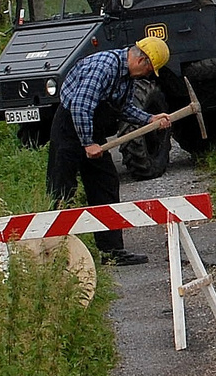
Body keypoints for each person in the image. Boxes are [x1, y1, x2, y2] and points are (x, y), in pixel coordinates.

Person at [47, 36, 173, 265]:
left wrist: (150, 118)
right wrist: (87, 143)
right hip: (69, 127)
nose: (147, 75)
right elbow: (81, 106)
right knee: (62, 187)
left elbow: (124, 109)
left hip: (91, 128)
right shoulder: (104, 67)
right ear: (141, 60)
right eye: (149, 70)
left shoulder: (126, 78)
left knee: (105, 183)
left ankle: (111, 251)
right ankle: (54, 253)